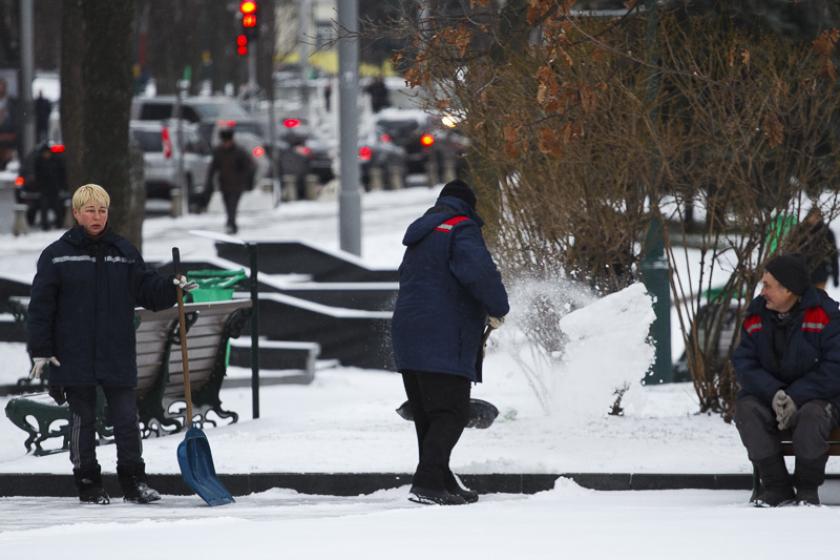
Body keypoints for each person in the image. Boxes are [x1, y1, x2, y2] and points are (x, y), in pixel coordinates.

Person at [26, 184, 194, 505]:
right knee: (83, 420)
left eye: (102, 210)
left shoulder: (123, 252)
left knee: (127, 419)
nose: (97, 216)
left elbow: (146, 289)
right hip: (72, 354)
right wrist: (42, 352)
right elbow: (41, 309)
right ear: (76, 213)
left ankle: (134, 481)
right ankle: (88, 481)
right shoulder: (56, 255)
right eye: (90, 210)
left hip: (115, 349)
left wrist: (172, 287)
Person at [391, 179, 509, 505]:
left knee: (429, 414)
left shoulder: (422, 232)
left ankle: (440, 479)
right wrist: (498, 308)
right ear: (469, 205)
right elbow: (480, 273)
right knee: (452, 412)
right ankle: (428, 483)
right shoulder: (461, 228)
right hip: (442, 335)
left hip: (408, 332)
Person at [732, 253, 840, 507]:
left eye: (768, 285)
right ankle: (776, 487)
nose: (763, 291)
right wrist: (775, 393)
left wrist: (796, 396)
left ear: (788, 289)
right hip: (770, 397)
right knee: (747, 410)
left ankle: (806, 489)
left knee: (812, 416)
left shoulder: (825, 316)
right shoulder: (756, 315)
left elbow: (835, 368)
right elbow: (744, 364)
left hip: (817, 398)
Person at [204, 128, 254, 234]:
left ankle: (230, 223)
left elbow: (248, 166)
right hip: (224, 184)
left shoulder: (239, 152)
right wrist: (210, 181)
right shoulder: (218, 152)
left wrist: (245, 179)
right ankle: (231, 222)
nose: (226, 144)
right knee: (227, 205)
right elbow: (213, 168)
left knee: (233, 204)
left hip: (237, 184)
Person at [790, 207, 839, 291]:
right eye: (813, 216)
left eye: (817, 217)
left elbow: (833, 254)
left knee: (818, 299)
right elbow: (790, 251)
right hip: (801, 274)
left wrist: (835, 276)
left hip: (820, 274)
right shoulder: (800, 231)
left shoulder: (827, 232)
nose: (815, 219)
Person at [32, 142, 67, 230]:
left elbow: (61, 174)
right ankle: (45, 225)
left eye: (47, 153)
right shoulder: (39, 162)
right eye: (45, 153)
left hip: (54, 188)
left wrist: (61, 186)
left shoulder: (55, 161)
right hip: (44, 189)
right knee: (44, 208)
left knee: (57, 207)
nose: (46, 155)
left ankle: (59, 223)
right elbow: (38, 175)